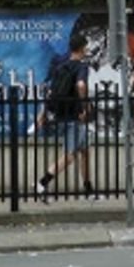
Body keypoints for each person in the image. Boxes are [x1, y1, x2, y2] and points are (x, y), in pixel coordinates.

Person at [34, 30, 94, 200]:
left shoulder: (61, 67)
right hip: (74, 117)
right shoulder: (82, 67)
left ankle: (88, 188)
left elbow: (51, 92)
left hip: (61, 115)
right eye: (86, 47)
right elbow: (81, 85)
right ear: (82, 49)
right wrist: (85, 106)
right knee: (69, 156)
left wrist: (42, 114)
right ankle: (41, 183)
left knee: (85, 151)